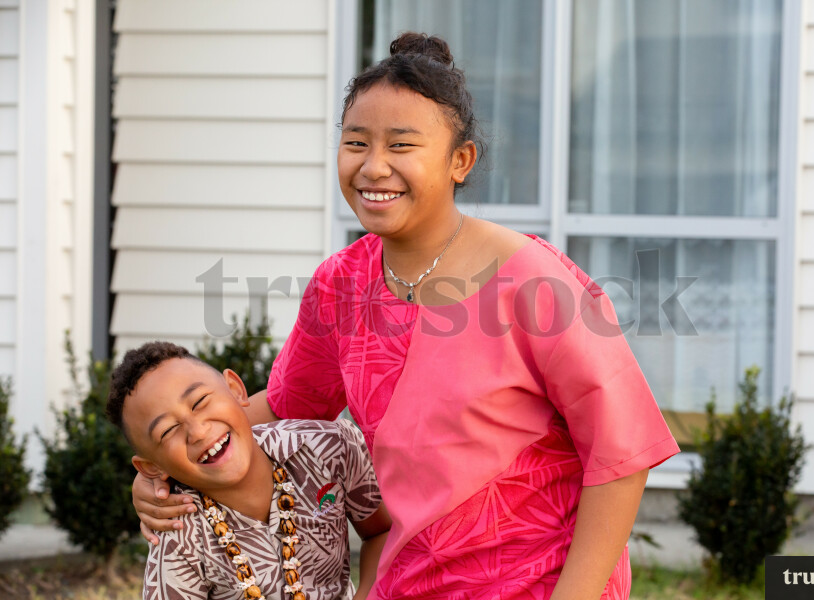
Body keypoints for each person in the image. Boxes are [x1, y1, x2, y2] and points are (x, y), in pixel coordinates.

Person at [133, 33, 680, 599]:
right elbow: (278, 412)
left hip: (540, 584)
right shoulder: (339, 285)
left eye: (401, 146)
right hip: (409, 584)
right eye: (355, 143)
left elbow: (621, 453)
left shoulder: (537, 281)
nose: (373, 168)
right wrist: (161, 470)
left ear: (459, 161)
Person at [108, 341, 390, 600]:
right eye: (168, 430)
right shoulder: (179, 536)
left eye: (199, 402)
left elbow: (381, 532)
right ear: (151, 467)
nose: (198, 431)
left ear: (235, 389)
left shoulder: (329, 448)